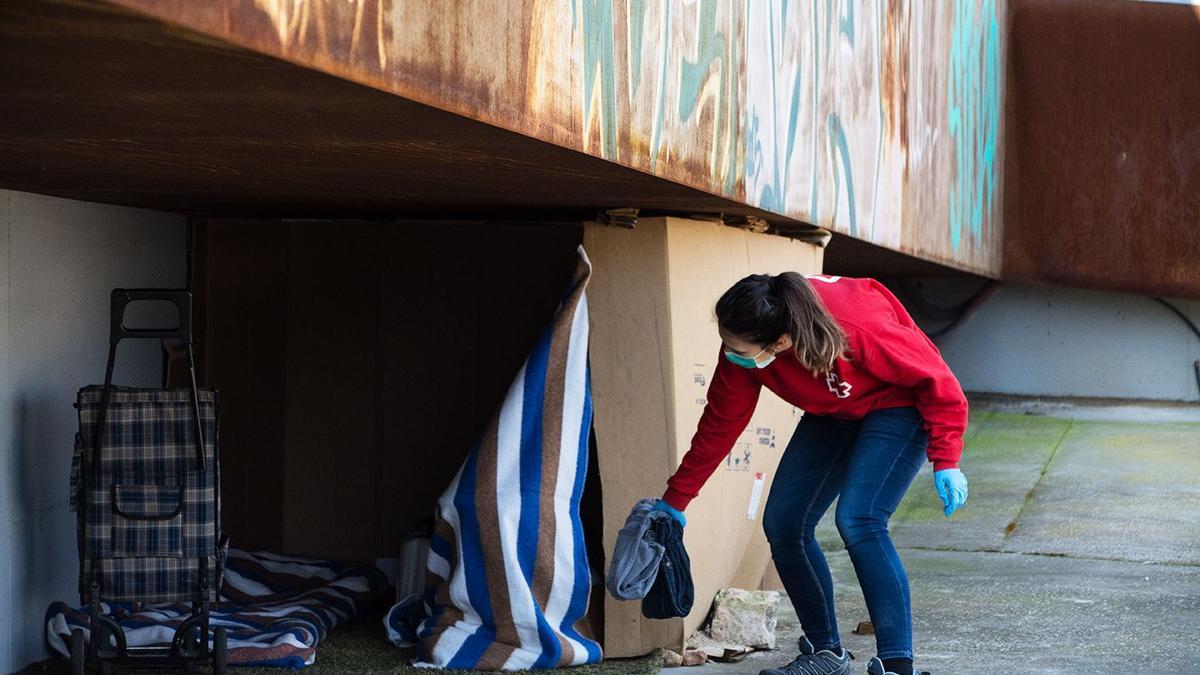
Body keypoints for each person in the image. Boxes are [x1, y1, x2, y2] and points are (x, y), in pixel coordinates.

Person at [650, 272, 969, 675]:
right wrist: (675, 501)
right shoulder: (746, 347)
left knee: (860, 519)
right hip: (834, 413)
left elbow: (937, 380)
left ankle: (895, 664)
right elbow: (720, 423)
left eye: (737, 348)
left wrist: (946, 458)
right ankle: (826, 653)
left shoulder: (856, 326)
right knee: (784, 523)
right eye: (726, 343)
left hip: (898, 404)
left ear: (780, 343)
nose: (728, 353)